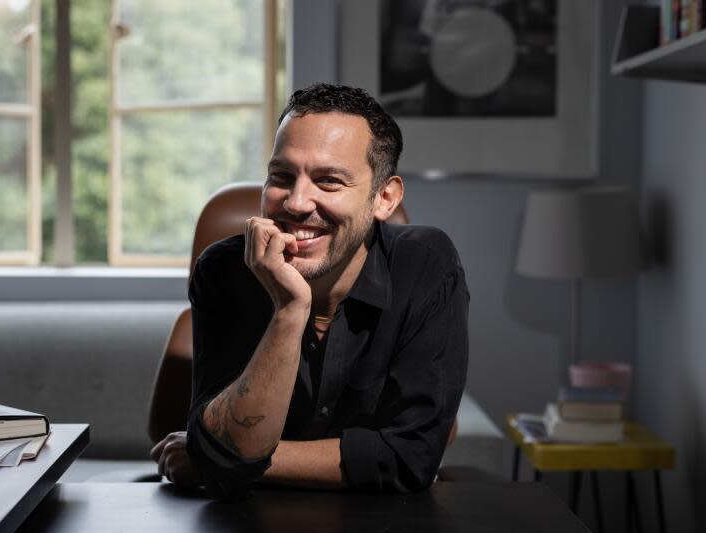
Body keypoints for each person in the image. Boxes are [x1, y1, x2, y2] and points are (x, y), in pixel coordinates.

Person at [152, 83, 469, 498]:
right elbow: (226, 453)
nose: (298, 202)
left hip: (382, 530)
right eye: (281, 176)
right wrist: (290, 308)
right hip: (241, 531)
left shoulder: (427, 266)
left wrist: (225, 459)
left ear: (385, 198)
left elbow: (410, 460)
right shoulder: (223, 272)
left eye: (329, 181)